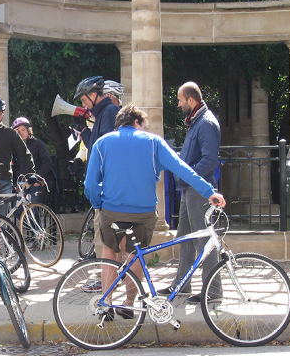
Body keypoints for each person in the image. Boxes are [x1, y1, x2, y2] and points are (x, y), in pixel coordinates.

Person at [84, 104, 226, 318]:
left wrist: (98, 204)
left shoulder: (102, 143)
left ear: (119, 124)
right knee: (134, 254)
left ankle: (107, 304)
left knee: (110, 251)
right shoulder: (153, 142)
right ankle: (130, 303)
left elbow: (90, 186)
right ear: (137, 123)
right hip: (144, 212)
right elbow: (182, 168)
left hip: (112, 209)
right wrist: (208, 191)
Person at [157, 82, 223, 304]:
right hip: (189, 189)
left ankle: (213, 291)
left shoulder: (205, 123)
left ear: (191, 101)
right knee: (184, 237)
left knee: (203, 239)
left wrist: (188, 175)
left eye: (180, 100)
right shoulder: (196, 121)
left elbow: (210, 159)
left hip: (198, 189)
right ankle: (182, 284)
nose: (178, 104)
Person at [73, 76, 122, 261]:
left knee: (103, 238)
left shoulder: (110, 112)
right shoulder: (104, 114)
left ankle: (104, 278)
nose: (84, 105)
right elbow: (95, 147)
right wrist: (84, 131)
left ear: (94, 94)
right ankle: (110, 277)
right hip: (105, 187)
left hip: (106, 188)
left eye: (85, 100)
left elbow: (107, 153)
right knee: (107, 237)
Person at [12, 117, 53, 204]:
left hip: (35, 182)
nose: (21, 133)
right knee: (18, 210)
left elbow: (47, 162)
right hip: (22, 183)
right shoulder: (15, 147)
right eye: (18, 131)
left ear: (28, 130)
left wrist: (38, 178)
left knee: (33, 208)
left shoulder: (38, 143)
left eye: (23, 130)